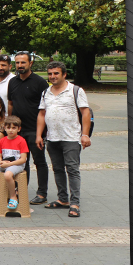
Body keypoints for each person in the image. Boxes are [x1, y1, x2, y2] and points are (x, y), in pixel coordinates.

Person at [36, 61, 91, 218]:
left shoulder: (75, 90)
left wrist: (85, 134)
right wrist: (39, 135)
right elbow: (41, 114)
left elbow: (85, 113)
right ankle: (63, 199)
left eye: (56, 73)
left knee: (72, 170)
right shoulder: (46, 92)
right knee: (58, 169)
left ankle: (75, 203)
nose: (52, 76)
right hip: (52, 138)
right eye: (50, 73)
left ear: (64, 74)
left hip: (71, 137)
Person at [7, 51, 50, 205]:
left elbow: (45, 109)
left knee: (39, 161)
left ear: (30, 63)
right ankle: (20, 190)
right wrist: (9, 125)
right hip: (18, 131)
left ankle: (42, 193)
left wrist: (40, 133)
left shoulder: (40, 83)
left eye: (23, 62)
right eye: (17, 63)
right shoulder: (12, 82)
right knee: (20, 163)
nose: (20, 65)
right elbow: (10, 103)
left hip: (34, 130)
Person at [0, 116, 29, 211]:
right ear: (5, 128)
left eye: (14, 128)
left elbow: (23, 159)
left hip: (17, 164)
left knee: (7, 175)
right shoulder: (2, 140)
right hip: (4, 163)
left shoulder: (21, 141)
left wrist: (9, 165)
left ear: (19, 129)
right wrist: (0, 162)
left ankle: (13, 196)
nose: (11, 130)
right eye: (8, 127)